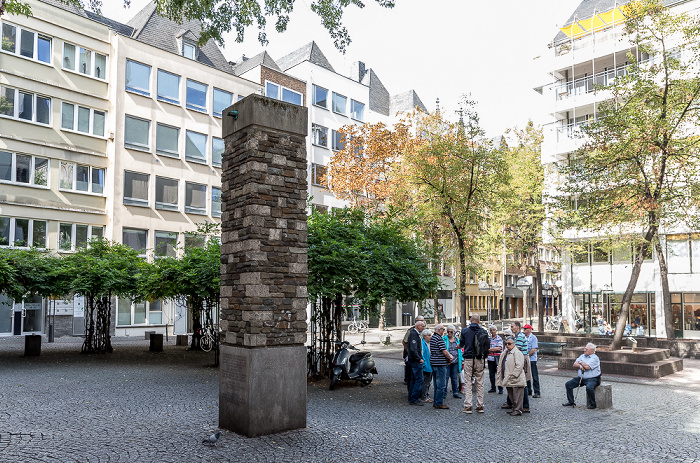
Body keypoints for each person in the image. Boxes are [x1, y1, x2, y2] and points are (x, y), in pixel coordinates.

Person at [459, 314, 487, 414]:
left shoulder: (465, 331)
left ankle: (468, 405)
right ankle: (480, 405)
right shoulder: (483, 331)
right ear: (479, 321)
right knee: (480, 383)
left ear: (471, 320)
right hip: (479, 359)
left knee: (468, 382)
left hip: (469, 358)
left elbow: (461, 344)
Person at [563, 342, 601, 409]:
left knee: (589, 387)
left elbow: (587, 367)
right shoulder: (582, 356)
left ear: (591, 351)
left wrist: (581, 362)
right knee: (568, 384)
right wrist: (581, 366)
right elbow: (575, 364)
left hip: (593, 378)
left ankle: (593, 404)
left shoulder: (595, 358)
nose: (584, 350)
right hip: (581, 377)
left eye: (586, 349)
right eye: (585, 348)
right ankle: (571, 401)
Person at [502, 322, 530, 412]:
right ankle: (512, 403)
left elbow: (515, 349)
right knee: (513, 382)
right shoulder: (517, 336)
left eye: (512, 327)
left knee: (521, 383)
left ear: (517, 327)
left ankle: (524, 406)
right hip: (518, 360)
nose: (511, 328)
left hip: (521, 360)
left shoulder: (520, 337)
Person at [497, 337, 526, 416]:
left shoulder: (517, 352)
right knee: (511, 395)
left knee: (517, 395)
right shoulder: (506, 352)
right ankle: (514, 408)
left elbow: (519, 365)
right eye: (506, 343)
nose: (507, 345)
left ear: (513, 344)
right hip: (508, 377)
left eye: (509, 344)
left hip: (516, 378)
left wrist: (514, 374)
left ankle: (518, 409)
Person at [430, 324, 454, 409]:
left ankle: (436, 401)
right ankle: (439, 402)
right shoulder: (439, 339)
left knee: (437, 384)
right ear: (439, 330)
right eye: (443, 329)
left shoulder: (433, 338)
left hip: (434, 363)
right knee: (441, 384)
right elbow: (444, 351)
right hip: (440, 364)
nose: (444, 331)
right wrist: (450, 357)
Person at [406, 320, 426, 406]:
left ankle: (411, 397)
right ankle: (414, 398)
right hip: (415, 361)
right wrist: (419, 359)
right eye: (422, 326)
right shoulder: (414, 334)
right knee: (418, 379)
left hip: (413, 360)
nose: (423, 328)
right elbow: (413, 349)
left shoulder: (415, 334)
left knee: (413, 379)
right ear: (418, 326)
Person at [403, 316, 425, 386]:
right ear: (416, 322)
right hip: (413, 356)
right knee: (412, 376)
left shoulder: (424, 330)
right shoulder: (411, 331)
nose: (423, 322)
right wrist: (407, 354)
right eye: (420, 320)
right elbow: (405, 342)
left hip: (421, 354)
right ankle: (412, 394)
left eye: (423, 320)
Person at [443, 325, 463, 399]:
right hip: (447, 361)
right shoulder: (444, 339)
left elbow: (460, 350)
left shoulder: (457, 340)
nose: (449, 333)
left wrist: (461, 360)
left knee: (454, 378)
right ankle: (444, 393)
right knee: (446, 377)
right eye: (448, 331)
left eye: (451, 332)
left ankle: (455, 392)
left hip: (455, 361)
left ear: (454, 332)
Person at [523, 324, 540, 398]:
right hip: (526, 358)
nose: (524, 330)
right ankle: (528, 391)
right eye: (524, 329)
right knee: (527, 375)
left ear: (530, 329)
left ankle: (537, 392)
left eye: (526, 329)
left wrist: (527, 356)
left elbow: (533, 349)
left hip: (532, 359)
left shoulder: (533, 338)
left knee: (534, 375)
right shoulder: (524, 337)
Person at [487, 325, 503, 394]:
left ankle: (500, 388)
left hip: (497, 358)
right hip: (490, 358)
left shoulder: (499, 338)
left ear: (496, 330)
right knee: (491, 374)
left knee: (498, 374)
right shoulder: (489, 339)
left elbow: (499, 348)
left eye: (493, 330)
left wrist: (489, 349)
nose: (492, 331)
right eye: (491, 330)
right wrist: (494, 349)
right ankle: (493, 387)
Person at [420, 330, 433, 403]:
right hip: (426, 366)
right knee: (425, 382)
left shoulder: (429, 343)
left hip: (430, 365)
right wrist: (424, 364)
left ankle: (426, 394)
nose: (430, 337)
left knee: (428, 382)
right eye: (429, 335)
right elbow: (422, 354)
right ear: (424, 336)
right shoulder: (422, 343)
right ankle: (424, 396)